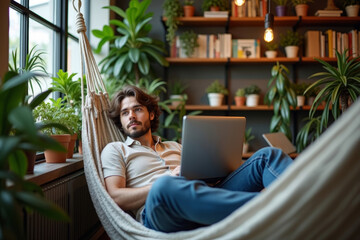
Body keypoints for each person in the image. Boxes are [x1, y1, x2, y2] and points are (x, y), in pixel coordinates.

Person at [101, 85, 293, 233]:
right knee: (164, 186)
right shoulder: (115, 150)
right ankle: (276, 205)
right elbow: (116, 198)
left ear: (151, 114)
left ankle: (302, 195)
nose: (131, 116)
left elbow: (208, 176)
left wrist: (220, 167)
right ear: (121, 121)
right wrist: (165, 179)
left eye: (137, 109)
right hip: (160, 213)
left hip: (204, 198)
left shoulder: (175, 146)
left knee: (268, 156)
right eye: (125, 113)